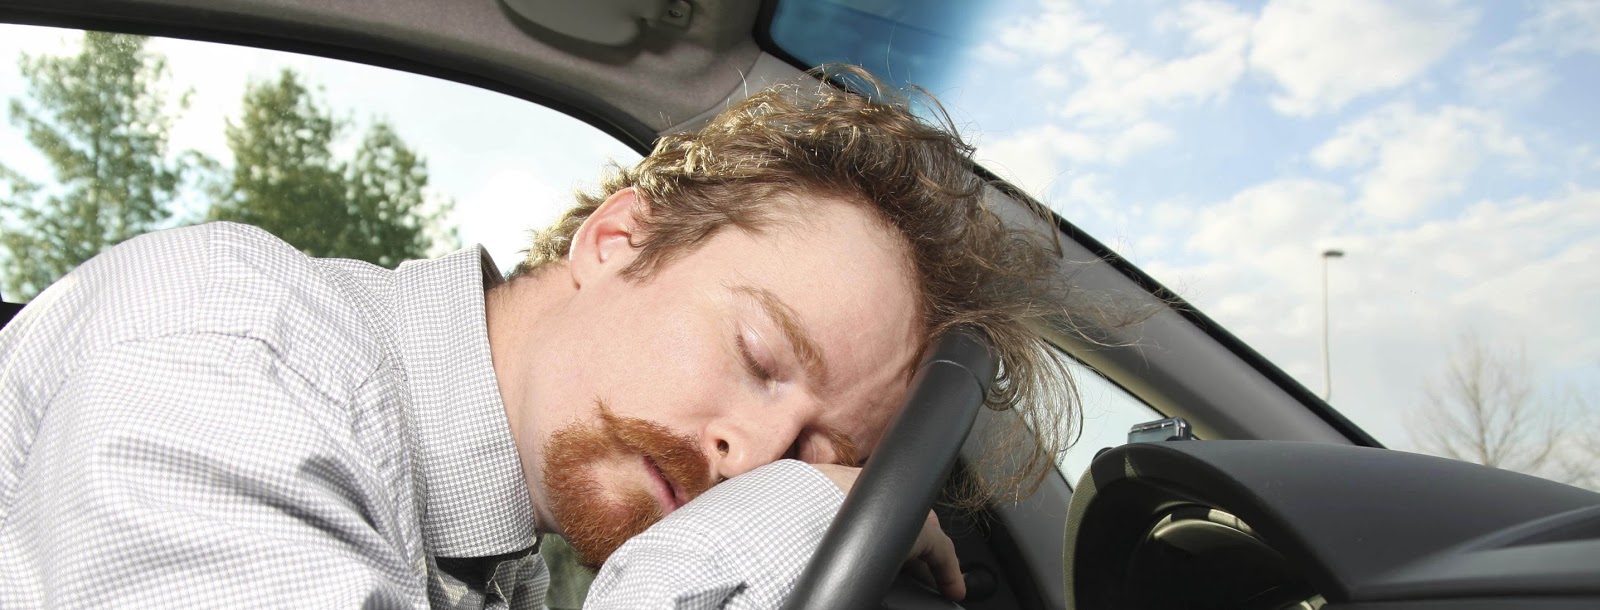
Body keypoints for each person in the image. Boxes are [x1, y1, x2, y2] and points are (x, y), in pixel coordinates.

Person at [0, 67, 1084, 608]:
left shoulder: (498, 567)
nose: (751, 459)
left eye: (814, 454)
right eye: (759, 357)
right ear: (618, 239)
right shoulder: (235, 354)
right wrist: (772, 532)